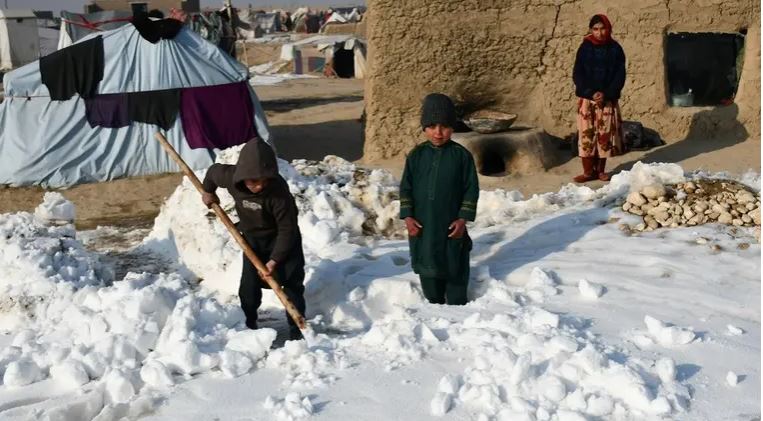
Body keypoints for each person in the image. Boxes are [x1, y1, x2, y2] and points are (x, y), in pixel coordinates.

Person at [201, 140, 306, 340]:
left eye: (263, 181)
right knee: (248, 287)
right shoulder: (231, 177)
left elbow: (287, 230)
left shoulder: (279, 193)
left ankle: (297, 331)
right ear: (242, 176)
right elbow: (213, 172)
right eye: (252, 181)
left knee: (292, 284)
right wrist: (208, 191)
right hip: (252, 240)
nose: (258, 186)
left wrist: (274, 261)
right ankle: (248, 327)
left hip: (282, 239)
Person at [399, 93, 479, 305]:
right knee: (429, 275)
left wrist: (463, 219)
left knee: (455, 265)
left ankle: (457, 303)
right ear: (424, 127)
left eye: (444, 126)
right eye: (432, 126)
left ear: (452, 127)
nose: (438, 132)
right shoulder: (416, 155)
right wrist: (407, 217)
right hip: (423, 225)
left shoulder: (461, 156)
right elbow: (405, 188)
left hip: (451, 226)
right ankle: (433, 301)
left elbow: (471, 189)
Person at [572, 14, 626, 182]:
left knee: (604, 136)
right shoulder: (585, 48)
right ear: (591, 30)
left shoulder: (616, 49)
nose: (599, 33)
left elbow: (620, 75)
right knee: (587, 135)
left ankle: (601, 170)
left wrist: (606, 94)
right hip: (588, 100)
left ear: (608, 29)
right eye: (595, 29)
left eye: (603, 28)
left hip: (607, 100)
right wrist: (590, 93)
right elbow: (577, 74)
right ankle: (588, 172)